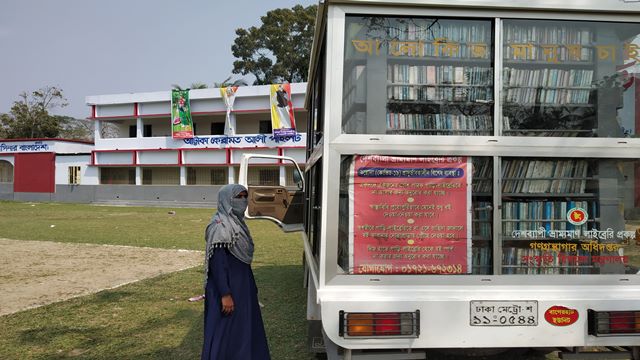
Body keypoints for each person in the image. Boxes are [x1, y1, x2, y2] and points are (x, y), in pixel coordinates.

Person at [201, 184, 270, 360]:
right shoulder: (220, 226)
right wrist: (225, 294)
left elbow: (243, 263)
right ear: (226, 200)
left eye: (245, 196)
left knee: (244, 327)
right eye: (238, 197)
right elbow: (217, 263)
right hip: (227, 288)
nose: (244, 201)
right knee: (225, 330)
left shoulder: (238, 224)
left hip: (242, 285)